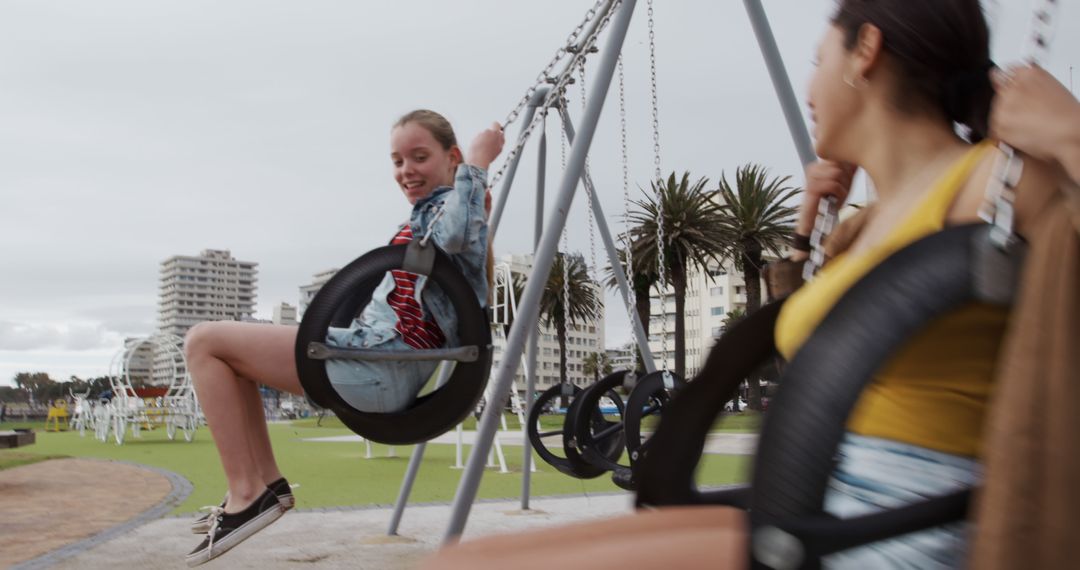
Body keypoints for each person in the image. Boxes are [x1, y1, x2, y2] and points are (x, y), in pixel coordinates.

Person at [422, 1, 1080, 568]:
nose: (811, 85)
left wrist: (1071, 134)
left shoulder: (995, 182)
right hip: (812, 510)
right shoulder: (862, 223)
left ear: (866, 51)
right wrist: (803, 243)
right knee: (463, 560)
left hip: (893, 533)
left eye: (818, 59)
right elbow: (819, 364)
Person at [183, 109, 503, 567]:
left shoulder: (451, 211)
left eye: (419, 157)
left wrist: (477, 162)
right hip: (372, 356)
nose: (406, 171)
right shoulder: (439, 211)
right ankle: (266, 485)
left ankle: (247, 492)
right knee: (232, 358)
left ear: (450, 157)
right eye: (397, 161)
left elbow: (455, 233)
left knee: (203, 342)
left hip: (378, 367)